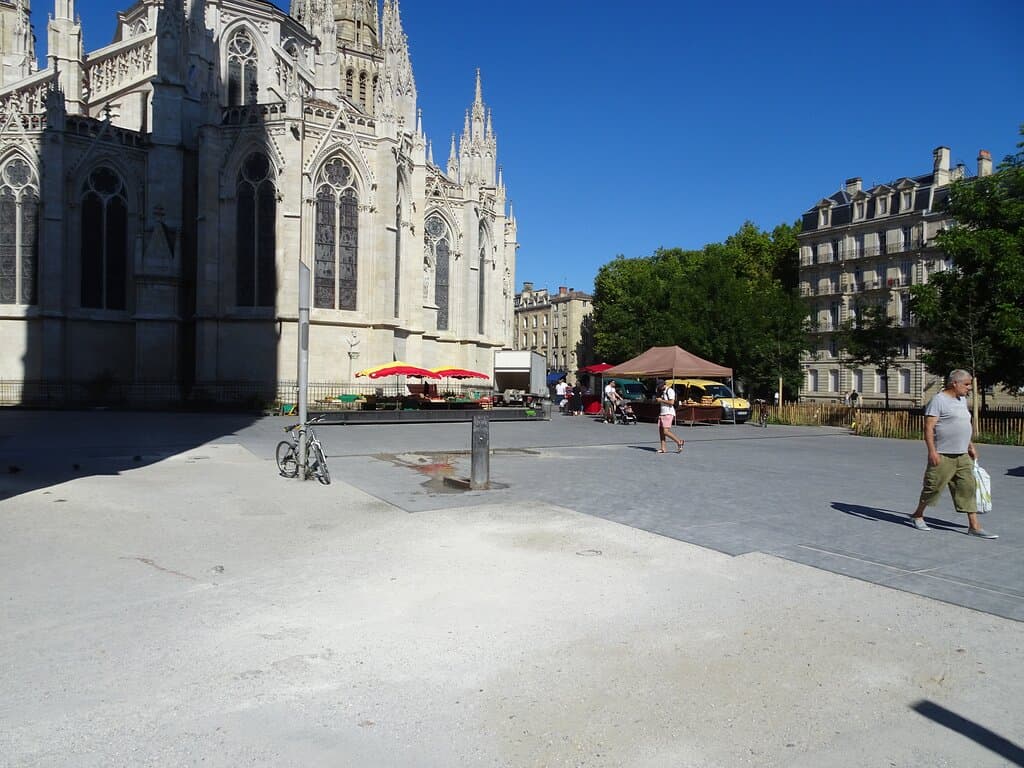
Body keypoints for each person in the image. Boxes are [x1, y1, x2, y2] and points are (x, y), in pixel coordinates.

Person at [909, 369, 996, 538]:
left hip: (962, 454)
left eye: (970, 384)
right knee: (932, 487)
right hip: (943, 454)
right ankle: (917, 515)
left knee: (968, 488)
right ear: (954, 383)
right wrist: (932, 451)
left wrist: (970, 445)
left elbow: (963, 424)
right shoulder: (938, 400)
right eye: (966, 384)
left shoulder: (961, 400)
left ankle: (974, 526)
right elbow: (928, 428)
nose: (969, 388)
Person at [654, 380, 684, 454]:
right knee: (661, 431)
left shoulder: (670, 391)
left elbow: (671, 402)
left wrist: (661, 400)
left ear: (663, 385)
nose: (659, 388)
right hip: (662, 412)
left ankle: (679, 442)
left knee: (665, 431)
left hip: (668, 413)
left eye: (660, 386)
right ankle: (663, 448)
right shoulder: (661, 392)